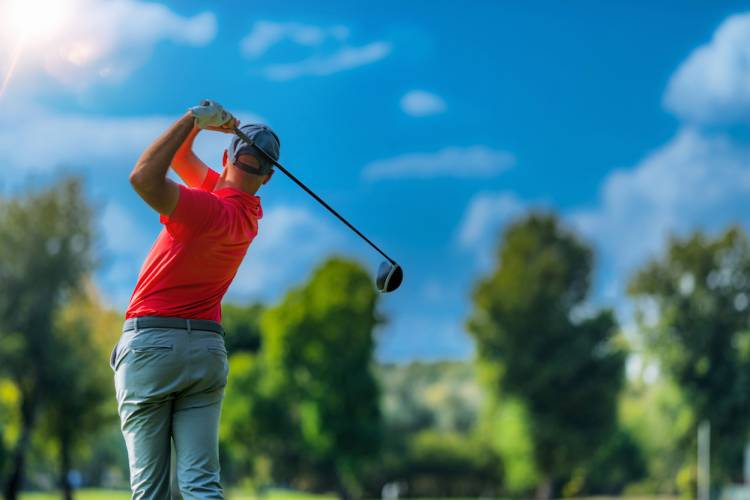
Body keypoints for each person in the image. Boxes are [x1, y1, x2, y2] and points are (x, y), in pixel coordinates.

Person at [108, 100, 281, 499]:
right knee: (202, 487)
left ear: (226, 157)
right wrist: (199, 129)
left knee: (149, 492)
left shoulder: (206, 209)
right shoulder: (246, 214)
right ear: (268, 177)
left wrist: (193, 119)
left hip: (152, 347)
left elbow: (143, 178)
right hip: (205, 353)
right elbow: (184, 158)